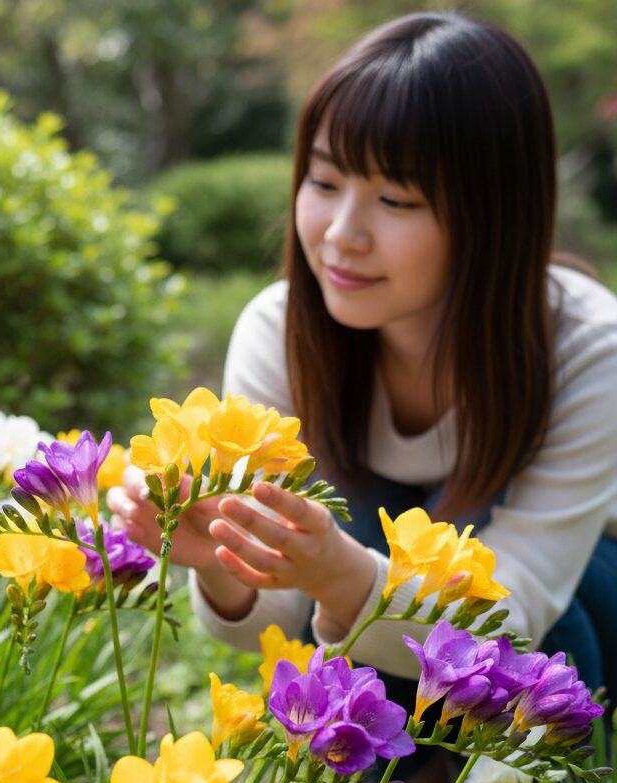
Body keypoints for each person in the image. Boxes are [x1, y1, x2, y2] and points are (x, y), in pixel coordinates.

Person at [108, 12, 617, 704]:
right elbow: (275, 624)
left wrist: (340, 572)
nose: (342, 235)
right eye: (323, 183)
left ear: (494, 215)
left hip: (577, 631)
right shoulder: (280, 332)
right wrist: (221, 555)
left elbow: (518, 617)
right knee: (344, 515)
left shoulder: (587, 349)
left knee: (520, 579)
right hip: (398, 658)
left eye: (395, 198)